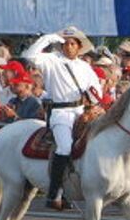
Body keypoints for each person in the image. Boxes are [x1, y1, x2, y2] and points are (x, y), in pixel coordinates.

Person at [22, 26, 102, 210]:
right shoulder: (52, 60)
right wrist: (49, 38)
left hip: (83, 111)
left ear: (79, 46)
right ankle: (54, 194)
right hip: (61, 113)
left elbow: (96, 88)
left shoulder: (85, 66)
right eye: (65, 43)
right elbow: (30, 56)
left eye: (72, 43)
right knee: (65, 147)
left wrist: (94, 100)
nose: (68, 46)